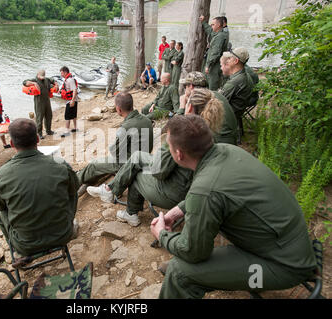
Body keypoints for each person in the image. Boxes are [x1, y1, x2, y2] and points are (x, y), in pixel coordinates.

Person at [150, 114, 316, 299]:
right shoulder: (226, 150)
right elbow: (213, 191)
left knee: (180, 272)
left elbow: (193, 252)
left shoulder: (205, 189)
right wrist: (181, 209)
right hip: (288, 246)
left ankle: (191, 277)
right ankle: (202, 273)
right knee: (194, 242)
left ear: (178, 154)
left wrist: (162, 235)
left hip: (286, 268)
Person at [86, 88, 228, 227]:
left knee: (136, 169)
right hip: (193, 189)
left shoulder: (184, 133)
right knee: (138, 159)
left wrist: (158, 153)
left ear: (189, 106)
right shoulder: (212, 135)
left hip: (175, 193)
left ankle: (126, 209)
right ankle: (113, 193)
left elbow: (159, 172)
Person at [0, 118, 79, 257]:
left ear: (12, 144)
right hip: (63, 235)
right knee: (72, 192)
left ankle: (12, 244)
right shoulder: (61, 165)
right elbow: (74, 191)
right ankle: (67, 223)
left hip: (24, 244)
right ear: (37, 139)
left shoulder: (1, 175)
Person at [77, 92, 153, 195]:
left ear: (118, 109)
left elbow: (115, 152)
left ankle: (73, 181)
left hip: (128, 163)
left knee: (93, 165)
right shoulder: (146, 120)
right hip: (144, 158)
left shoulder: (126, 127)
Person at [178, 71, 238, 145]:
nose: (184, 90)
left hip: (217, 144)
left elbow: (178, 128)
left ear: (191, 86)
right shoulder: (217, 95)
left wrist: (182, 107)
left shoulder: (197, 100)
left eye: (185, 86)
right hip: (232, 140)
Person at [218, 47, 255, 117]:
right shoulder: (246, 75)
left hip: (228, 116)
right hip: (238, 112)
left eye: (229, 58)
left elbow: (218, 101)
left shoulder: (234, 83)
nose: (227, 60)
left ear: (236, 61)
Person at [23, 70, 58, 139]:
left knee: (49, 116)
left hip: (47, 101)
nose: (42, 78)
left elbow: (52, 80)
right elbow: (24, 82)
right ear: (37, 75)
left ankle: (48, 130)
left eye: (43, 77)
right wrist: (34, 84)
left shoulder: (46, 79)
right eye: (41, 77)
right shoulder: (34, 80)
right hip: (39, 102)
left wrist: (56, 83)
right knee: (39, 118)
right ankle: (39, 133)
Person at [199, 15, 229, 91]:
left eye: (213, 24)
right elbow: (210, 31)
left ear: (218, 25)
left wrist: (208, 65)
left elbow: (215, 53)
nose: (211, 26)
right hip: (211, 65)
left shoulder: (220, 36)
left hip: (214, 66)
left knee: (212, 88)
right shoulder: (217, 34)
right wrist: (203, 22)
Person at [59, 66, 79, 137]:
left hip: (71, 101)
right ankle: (76, 128)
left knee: (67, 116)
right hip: (73, 100)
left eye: (61, 73)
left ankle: (66, 131)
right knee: (73, 115)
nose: (61, 74)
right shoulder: (68, 79)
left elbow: (75, 90)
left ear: (65, 72)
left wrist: (72, 101)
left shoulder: (70, 80)